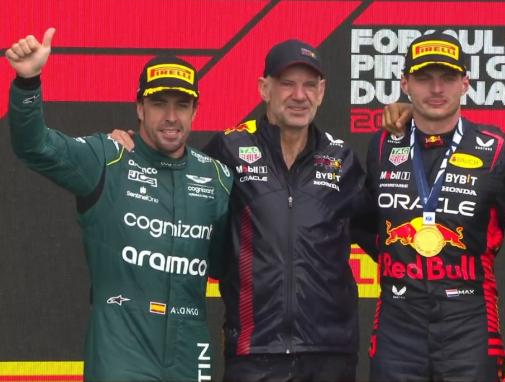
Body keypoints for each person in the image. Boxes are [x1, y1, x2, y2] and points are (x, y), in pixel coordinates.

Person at [112, 39, 370, 382]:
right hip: (255, 351)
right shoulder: (230, 150)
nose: (299, 95)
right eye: (287, 84)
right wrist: (130, 148)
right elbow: (173, 176)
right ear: (264, 88)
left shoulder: (341, 159)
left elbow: (388, 232)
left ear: (321, 92)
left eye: (309, 85)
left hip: (329, 354)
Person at [6, 28, 233, 381]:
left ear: (196, 111)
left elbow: (232, 263)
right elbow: (35, 147)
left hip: (190, 354)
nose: (171, 117)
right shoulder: (107, 159)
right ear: (140, 107)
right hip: (121, 354)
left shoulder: (217, 178)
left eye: (182, 105)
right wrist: (27, 82)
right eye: (159, 104)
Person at [363, 31, 505, 381]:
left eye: (448, 78)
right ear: (405, 83)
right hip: (398, 324)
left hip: (468, 323)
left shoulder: (497, 150)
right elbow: (361, 223)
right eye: (424, 78)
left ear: (465, 83)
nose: (436, 89)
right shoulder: (381, 147)